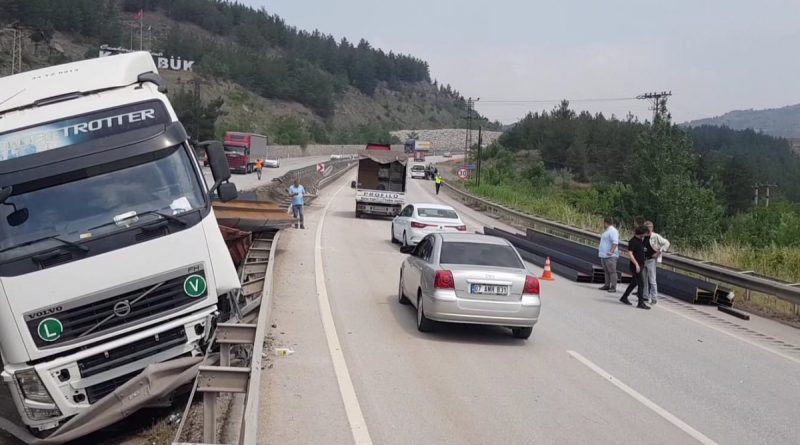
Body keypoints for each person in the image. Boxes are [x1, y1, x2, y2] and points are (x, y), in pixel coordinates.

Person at [620, 225, 651, 310]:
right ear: (641, 233)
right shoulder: (633, 241)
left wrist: (649, 233)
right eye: (644, 233)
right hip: (635, 265)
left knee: (634, 282)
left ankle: (624, 297)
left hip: (641, 264)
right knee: (641, 283)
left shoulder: (641, 240)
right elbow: (630, 254)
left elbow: (648, 237)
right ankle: (640, 303)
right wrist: (636, 264)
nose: (645, 235)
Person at [643, 221, 670, 304]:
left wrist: (659, 252)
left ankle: (654, 298)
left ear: (652, 228)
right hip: (643, 259)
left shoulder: (655, 236)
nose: (648, 229)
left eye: (649, 227)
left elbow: (666, 243)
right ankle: (645, 296)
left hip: (651, 259)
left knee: (652, 279)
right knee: (644, 279)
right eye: (646, 227)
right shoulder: (643, 235)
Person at [598, 217, 619, 293]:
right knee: (606, 271)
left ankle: (613, 286)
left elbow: (615, 242)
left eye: (603, 223)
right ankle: (607, 285)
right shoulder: (607, 231)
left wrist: (611, 251)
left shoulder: (613, 231)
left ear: (606, 223)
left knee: (612, 271)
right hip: (604, 254)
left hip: (610, 255)